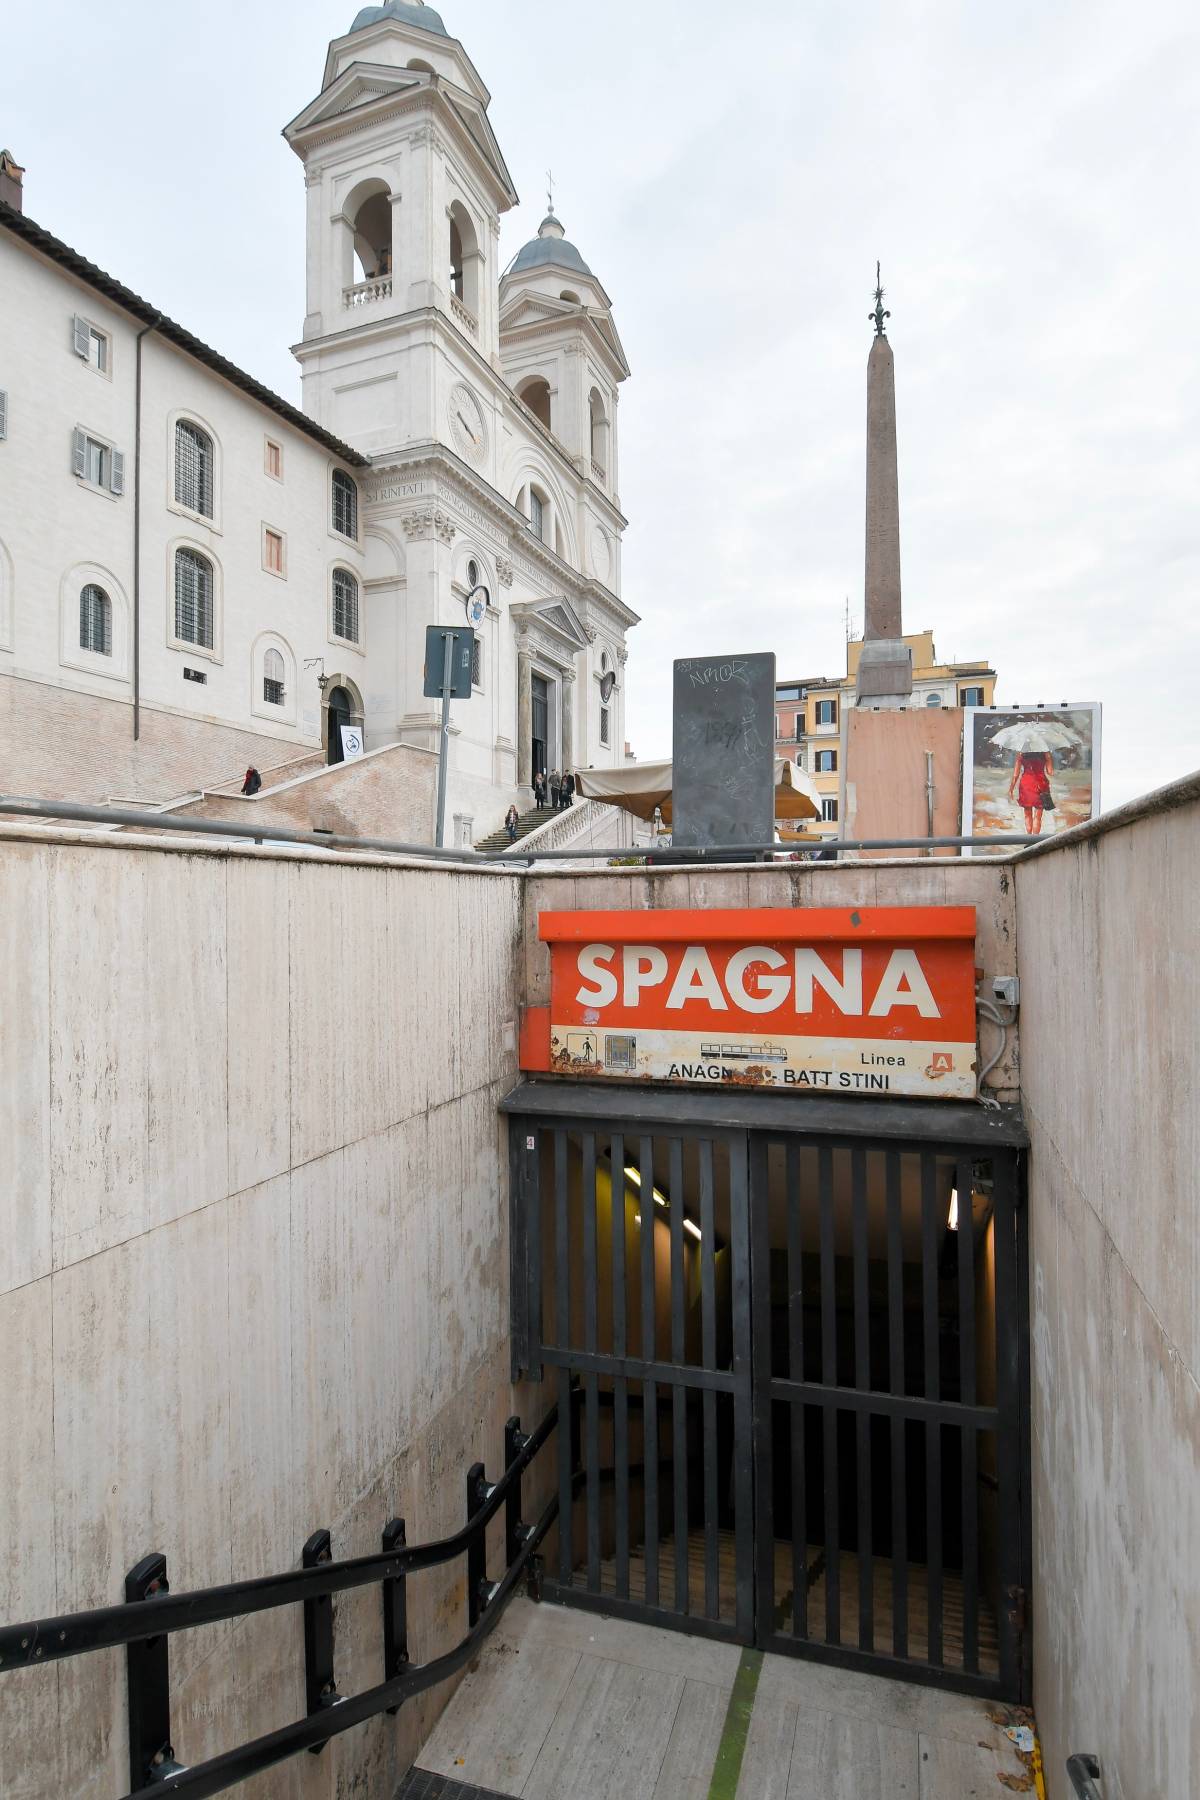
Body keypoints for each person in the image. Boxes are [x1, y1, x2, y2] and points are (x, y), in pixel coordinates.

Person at [1009, 749, 1054, 836]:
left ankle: (1029, 839)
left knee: (1027, 815)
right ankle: (1035, 840)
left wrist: (1011, 789)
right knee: (1038, 817)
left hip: (1026, 784)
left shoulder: (1021, 753)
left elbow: (1015, 775)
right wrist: (1048, 758)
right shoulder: (1044, 752)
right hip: (1041, 784)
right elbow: (1050, 772)